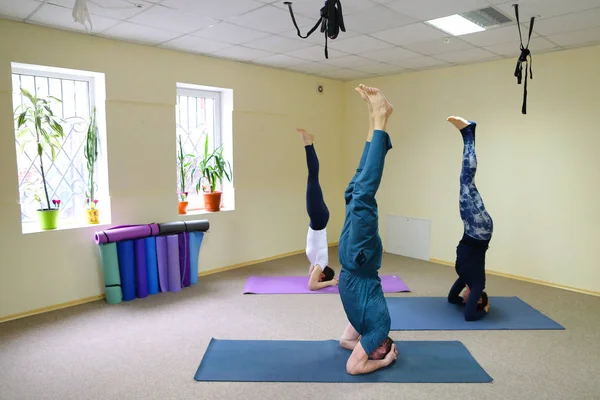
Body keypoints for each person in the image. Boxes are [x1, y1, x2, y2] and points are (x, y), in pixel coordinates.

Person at [337, 84, 398, 375]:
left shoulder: (364, 330)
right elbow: (352, 368)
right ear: (385, 344)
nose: (372, 352)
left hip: (351, 261)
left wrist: (368, 349)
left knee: (352, 191)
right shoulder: (379, 328)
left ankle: (373, 120)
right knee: (363, 195)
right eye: (381, 350)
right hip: (361, 260)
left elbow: (346, 342)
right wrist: (385, 362)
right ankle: (382, 118)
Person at [446, 116, 493, 321]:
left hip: (470, 230)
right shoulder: (478, 285)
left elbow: (451, 299)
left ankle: (469, 133)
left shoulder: (465, 279)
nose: (465, 299)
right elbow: (469, 316)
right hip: (479, 230)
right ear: (479, 299)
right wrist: (484, 310)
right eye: (471, 299)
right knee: (467, 182)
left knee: (465, 182)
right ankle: (468, 134)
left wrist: (460, 297)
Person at [298, 128, 338, 291]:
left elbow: (310, 277)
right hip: (318, 219)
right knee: (312, 176)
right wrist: (330, 282)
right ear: (321, 275)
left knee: (313, 177)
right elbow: (312, 286)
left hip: (319, 218)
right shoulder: (321, 263)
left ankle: (309, 142)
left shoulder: (316, 263)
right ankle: (308, 142)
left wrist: (327, 277)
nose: (313, 274)